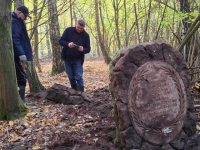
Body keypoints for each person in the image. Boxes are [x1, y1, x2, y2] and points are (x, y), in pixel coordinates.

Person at [59, 19, 91, 92]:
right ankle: (74, 92)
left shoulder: (85, 36)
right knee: (71, 77)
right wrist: (68, 44)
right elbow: (60, 41)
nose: (79, 29)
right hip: (67, 58)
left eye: (81, 28)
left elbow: (88, 49)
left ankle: (82, 94)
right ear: (75, 24)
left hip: (78, 60)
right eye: (78, 27)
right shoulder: (68, 31)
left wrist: (83, 49)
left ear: (84, 27)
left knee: (79, 77)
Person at [12, 6, 34, 106]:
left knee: (19, 78)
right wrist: (21, 53)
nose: (25, 18)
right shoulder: (14, 21)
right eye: (24, 16)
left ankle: (19, 101)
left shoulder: (17, 21)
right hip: (15, 55)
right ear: (19, 12)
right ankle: (22, 102)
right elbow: (15, 39)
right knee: (22, 78)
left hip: (15, 55)